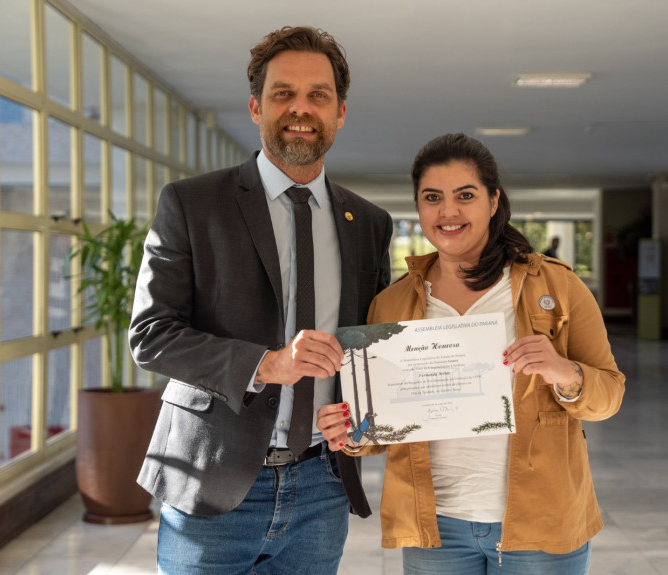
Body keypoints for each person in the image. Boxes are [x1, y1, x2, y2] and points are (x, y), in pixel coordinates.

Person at [129, 26, 393, 574]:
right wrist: (266, 364)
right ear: (256, 106)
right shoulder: (191, 203)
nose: (301, 108)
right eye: (283, 94)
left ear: (340, 112)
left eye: (318, 95)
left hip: (323, 484)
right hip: (212, 478)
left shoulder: (368, 223)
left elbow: (373, 347)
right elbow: (151, 335)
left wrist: (374, 420)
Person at [318, 133, 624, 574]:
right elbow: (379, 428)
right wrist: (348, 432)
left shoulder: (556, 287)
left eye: (465, 195)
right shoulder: (392, 304)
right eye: (432, 197)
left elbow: (609, 394)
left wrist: (564, 371)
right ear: (419, 207)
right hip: (435, 528)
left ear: (494, 201)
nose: (448, 212)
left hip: (541, 524)